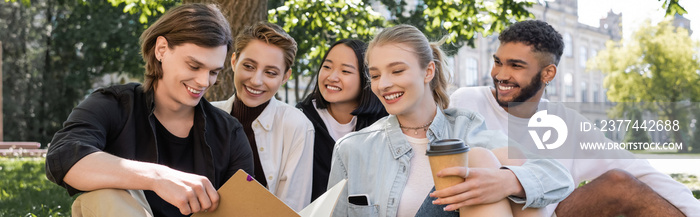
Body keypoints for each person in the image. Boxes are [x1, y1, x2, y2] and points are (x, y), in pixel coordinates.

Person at [449, 20, 700, 216]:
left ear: (548, 73)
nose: (500, 74)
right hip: (478, 212)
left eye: (516, 66)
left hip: (546, 213)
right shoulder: (467, 100)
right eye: (497, 62)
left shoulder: (567, 122)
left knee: (620, 181)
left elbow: (640, 171)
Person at [327, 24, 574, 217]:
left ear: (429, 71)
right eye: (375, 75)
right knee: (481, 160)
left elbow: (559, 178)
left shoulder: (467, 128)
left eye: (397, 71)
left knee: (483, 159)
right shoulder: (352, 148)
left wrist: (506, 182)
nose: (384, 84)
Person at [45, 3, 254, 217]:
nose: (204, 81)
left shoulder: (230, 133)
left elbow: (243, 208)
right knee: (104, 195)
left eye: (213, 72)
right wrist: (157, 177)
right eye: (193, 66)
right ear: (161, 49)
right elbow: (63, 156)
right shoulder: (113, 104)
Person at [210, 22, 314, 211]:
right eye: (249, 66)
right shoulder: (206, 116)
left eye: (270, 73)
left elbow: (292, 208)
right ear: (233, 62)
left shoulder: (296, 125)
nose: (256, 81)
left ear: (285, 77)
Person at [296, 39, 388, 201]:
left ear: (365, 78)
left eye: (345, 71)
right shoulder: (301, 120)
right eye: (327, 67)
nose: (332, 77)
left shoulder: (383, 123)